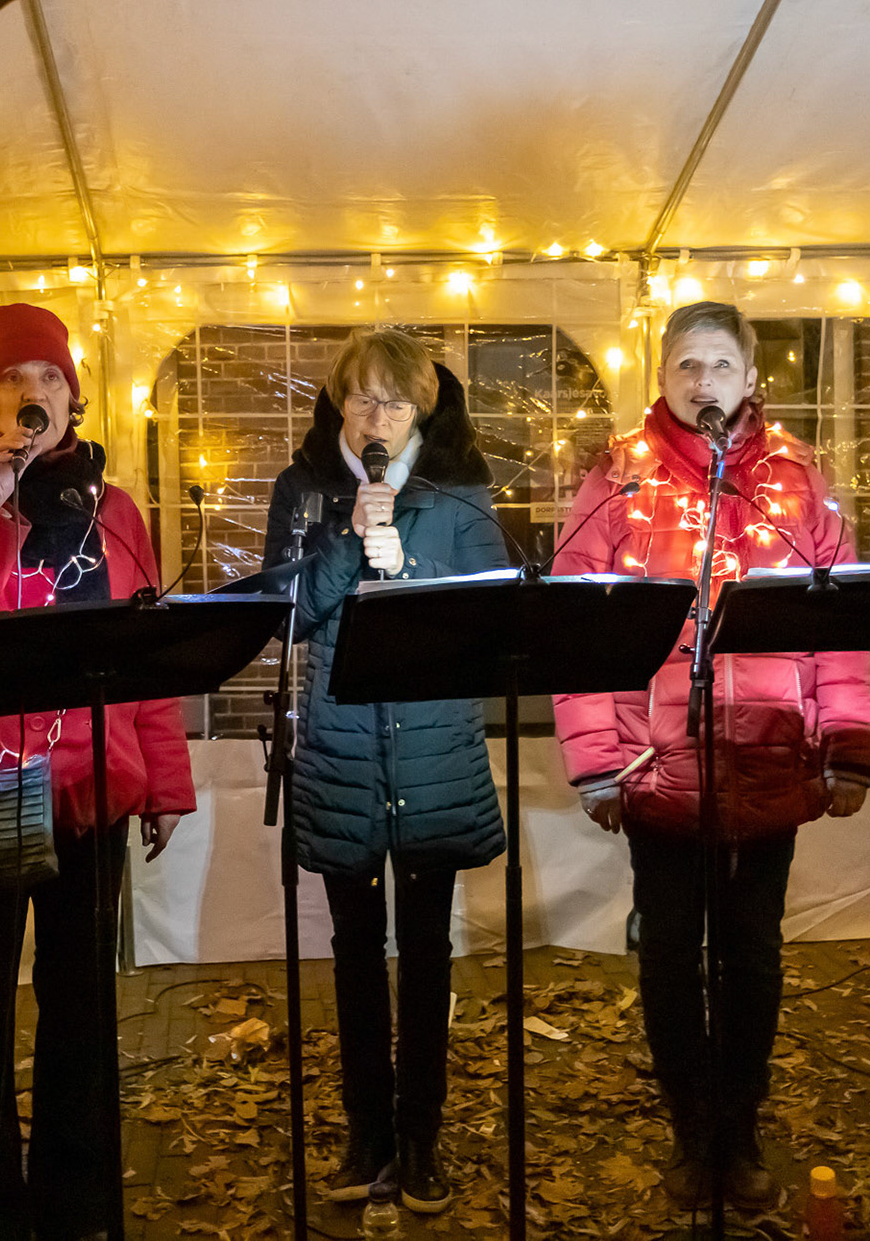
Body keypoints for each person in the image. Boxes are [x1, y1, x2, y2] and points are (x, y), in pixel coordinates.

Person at [551, 301, 870, 1206]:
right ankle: (691, 1132)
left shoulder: (801, 481)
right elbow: (582, 634)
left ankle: (740, 1130)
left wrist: (846, 744)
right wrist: (595, 759)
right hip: (658, 769)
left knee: (754, 953)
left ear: (749, 377)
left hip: (771, 760)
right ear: (662, 379)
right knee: (668, 953)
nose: (704, 383)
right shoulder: (616, 482)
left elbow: (839, 629)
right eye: (687, 366)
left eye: (719, 365)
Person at [0, 302, 196, 1241]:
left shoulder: (115, 509)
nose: (36, 397)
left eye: (51, 381)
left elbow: (137, 651)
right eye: (14, 382)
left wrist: (166, 776)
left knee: (83, 1017)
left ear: (74, 396)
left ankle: (78, 1211)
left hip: (88, 789)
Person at [262, 328, 508, 1216]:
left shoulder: (460, 496)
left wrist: (415, 566)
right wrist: (343, 544)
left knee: (430, 952)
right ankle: (365, 1131)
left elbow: (489, 621)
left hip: (434, 751)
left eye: (395, 401)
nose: (377, 416)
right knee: (356, 953)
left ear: (421, 411)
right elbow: (279, 612)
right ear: (338, 403)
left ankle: (422, 1137)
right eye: (362, 397)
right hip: (341, 758)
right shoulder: (304, 490)